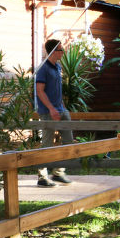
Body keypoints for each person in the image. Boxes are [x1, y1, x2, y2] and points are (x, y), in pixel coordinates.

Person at [35, 39, 73, 186]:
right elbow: (40, 91)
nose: (62, 52)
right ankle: (42, 177)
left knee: (68, 141)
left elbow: (57, 89)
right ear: (52, 52)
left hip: (61, 110)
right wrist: (51, 108)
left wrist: (62, 106)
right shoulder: (43, 69)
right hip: (47, 112)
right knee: (47, 144)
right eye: (60, 50)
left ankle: (58, 172)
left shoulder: (57, 67)